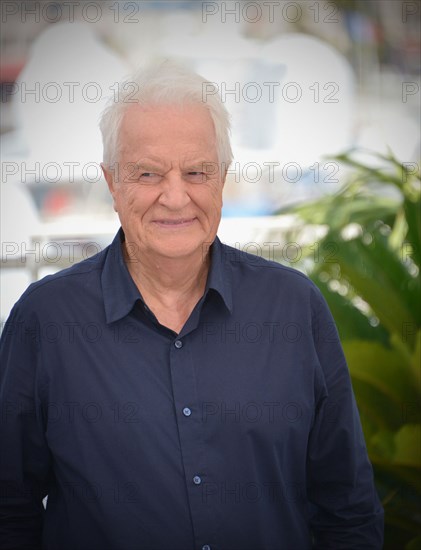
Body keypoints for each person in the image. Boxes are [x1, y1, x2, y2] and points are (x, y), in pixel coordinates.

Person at [0, 62, 384, 549]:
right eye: (148, 173)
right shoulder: (46, 320)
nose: (175, 196)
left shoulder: (294, 308)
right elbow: (9, 512)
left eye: (197, 172)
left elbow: (348, 510)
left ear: (222, 178)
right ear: (112, 182)